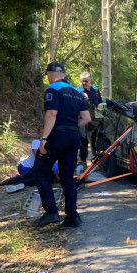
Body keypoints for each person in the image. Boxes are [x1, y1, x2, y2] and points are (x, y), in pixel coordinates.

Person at [34, 61, 91, 228]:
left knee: (40, 171)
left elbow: (51, 114)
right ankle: (72, 216)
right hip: (74, 136)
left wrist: (43, 139)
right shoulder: (76, 92)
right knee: (67, 177)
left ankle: (51, 212)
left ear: (50, 74)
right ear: (64, 74)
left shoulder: (53, 89)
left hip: (56, 135)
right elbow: (87, 119)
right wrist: (72, 127)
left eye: (48, 76)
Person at [0, 126, 59, 191]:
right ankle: (2, 183)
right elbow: (39, 156)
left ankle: (20, 183)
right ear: (39, 134)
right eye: (42, 132)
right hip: (26, 167)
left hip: (42, 168)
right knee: (28, 177)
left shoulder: (52, 143)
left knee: (42, 179)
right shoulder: (36, 142)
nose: (45, 133)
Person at [78, 72, 102, 165]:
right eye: (82, 81)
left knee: (95, 139)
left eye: (86, 81)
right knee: (83, 139)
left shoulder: (95, 89)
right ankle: (83, 160)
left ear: (90, 80)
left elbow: (99, 102)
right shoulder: (78, 90)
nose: (84, 83)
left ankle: (96, 160)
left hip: (95, 118)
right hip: (83, 117)